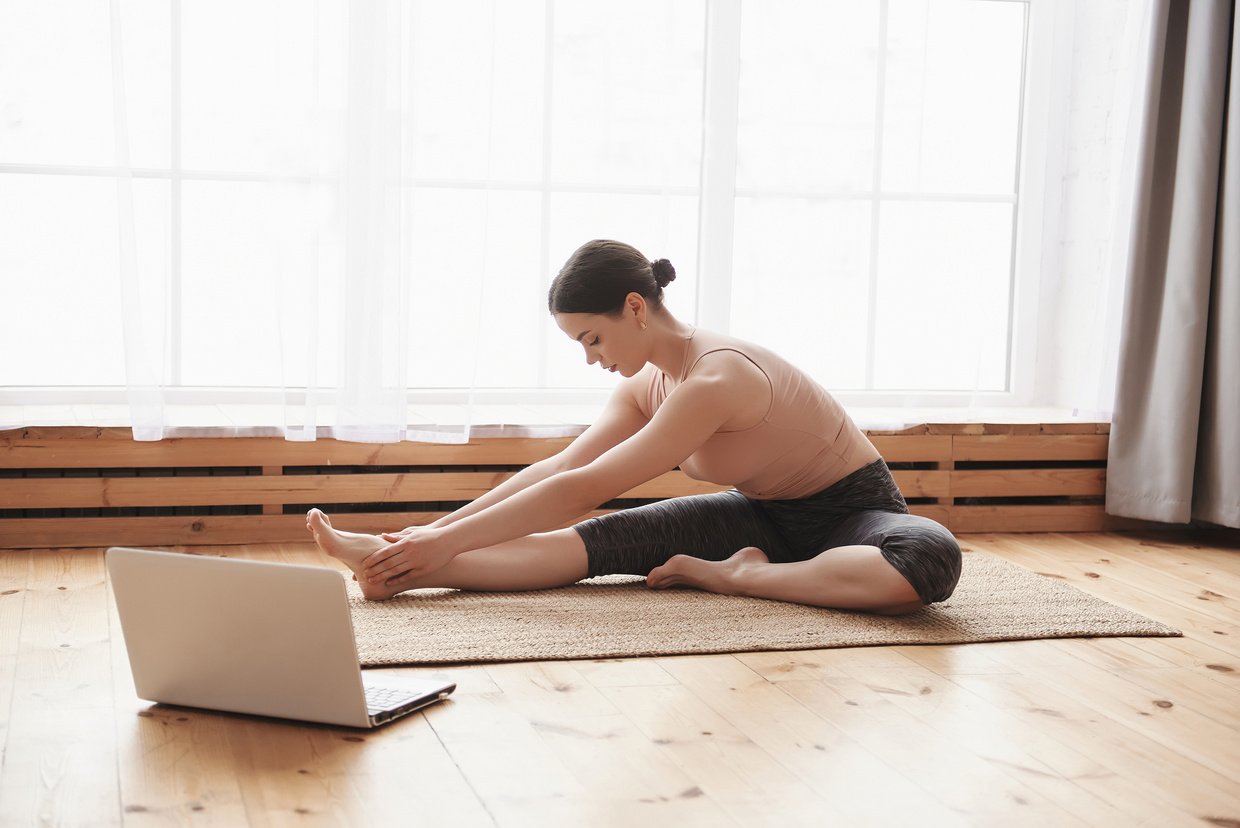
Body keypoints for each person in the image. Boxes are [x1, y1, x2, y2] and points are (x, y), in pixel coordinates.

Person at [306, 239, 961, 615]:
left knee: (924, 565)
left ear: (635, 307)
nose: (591, 358)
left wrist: (439, 540)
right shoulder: (649, 381)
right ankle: (395, 566)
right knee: (586, 549)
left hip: (852, 518)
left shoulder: (716, 378)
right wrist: (430, 538)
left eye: (592, 338)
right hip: (759, 517)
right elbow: (560, 470)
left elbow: (590, 483)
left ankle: (738, 576)